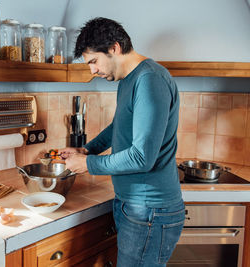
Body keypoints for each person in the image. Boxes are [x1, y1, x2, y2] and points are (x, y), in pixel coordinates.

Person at [59, 17, 185, 267]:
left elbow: (141, 157)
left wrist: (89, 164)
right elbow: (119, 126)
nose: (92, 70)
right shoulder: (128, 80)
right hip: (135, 205)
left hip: (150, 209)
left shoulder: (150, 79)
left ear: (114, 48)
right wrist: (86, 149)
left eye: (94, 61)